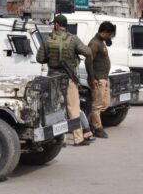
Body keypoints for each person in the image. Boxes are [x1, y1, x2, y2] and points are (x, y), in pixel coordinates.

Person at [36, 14, 92, 146]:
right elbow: (88, 52)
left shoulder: (48, 39)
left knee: (56, 109)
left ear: (56, 24)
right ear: (65, 25)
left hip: (53, 78)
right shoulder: (73, 39)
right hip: (69, 78)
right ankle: (78, 138)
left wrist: (50, 58)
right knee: (73, 108)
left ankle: (61, 139)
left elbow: (39, 59)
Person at [85, 21, 116, 139]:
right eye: (110, 34)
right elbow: (88, 61)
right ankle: (98, 128)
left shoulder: (101, 42)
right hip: (97, 79)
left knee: (105, 104)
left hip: (104, 78)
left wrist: (108, 40)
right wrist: (91, 78)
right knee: (97, 105)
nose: (110, 37)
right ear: (104, 32)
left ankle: (88, 123)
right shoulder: (94, 43)